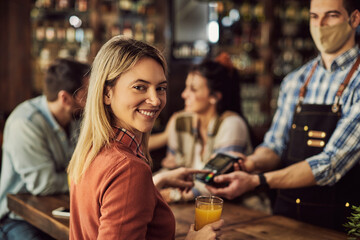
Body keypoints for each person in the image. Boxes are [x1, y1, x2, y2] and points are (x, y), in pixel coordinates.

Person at [207, 0, 360, 231]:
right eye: (314, 17)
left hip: (337, 224)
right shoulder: (296, 80)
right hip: (285, 218)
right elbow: (275, 145)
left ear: (354, 19)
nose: (321, 25)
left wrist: (259, 181)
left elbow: (331, 164)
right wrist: (250, 163)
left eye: (331, 16)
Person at [67, 36, 224, 239]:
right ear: (107, 93)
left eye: (160, 88)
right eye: (140, 87)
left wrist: (153, 185)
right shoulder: (129, 169)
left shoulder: (91, 150)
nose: (155, 99)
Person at [154, 55, 270, 213]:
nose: (184, 94)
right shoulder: (180, 122)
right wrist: (151, 185)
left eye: (193, 89)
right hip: (195, 208)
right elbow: (170, 169)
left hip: (242, 211)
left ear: (214, 97)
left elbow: (218, 181)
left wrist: (174, 194)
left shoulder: (231, 124)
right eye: (186, 87)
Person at [0, 58, 90, 239]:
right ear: (65, 98)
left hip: (61, 207)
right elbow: (44, 184)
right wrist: (89, 180)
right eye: (86, 94)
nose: (92, 99)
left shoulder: (77, 118)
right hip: (19, 217)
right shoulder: (25, 123)